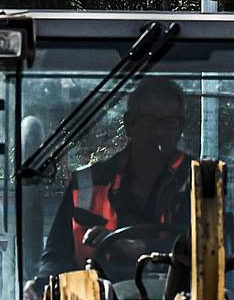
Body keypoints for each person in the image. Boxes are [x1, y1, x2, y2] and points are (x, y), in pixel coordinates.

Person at [47, 77, 197, 277]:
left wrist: (140, 247)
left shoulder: (199, 181)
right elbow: (57, 254)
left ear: (180, 128)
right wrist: (41, 284)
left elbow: (205, 247)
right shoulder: (86, 184)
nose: (160, 131)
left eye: (169, 123)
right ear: (129, 125)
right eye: (150, 122)